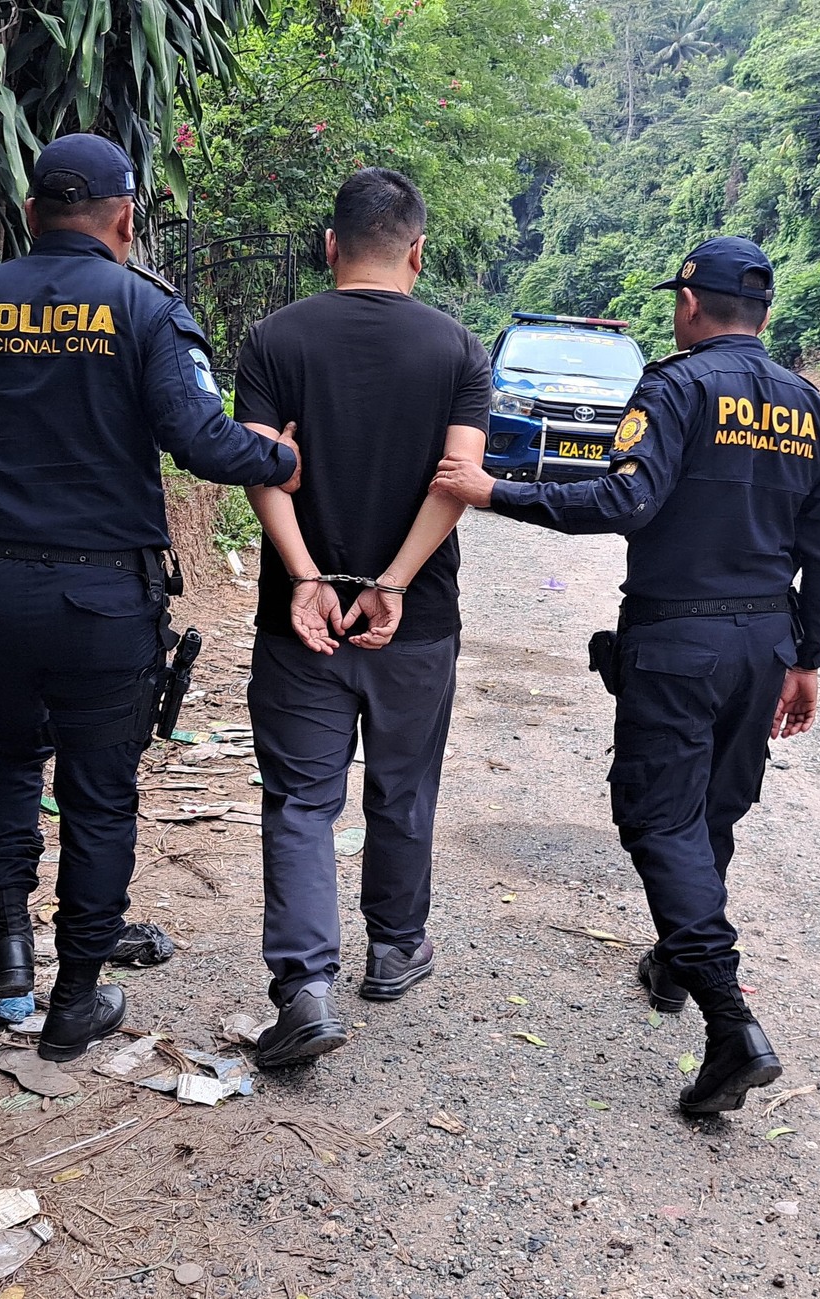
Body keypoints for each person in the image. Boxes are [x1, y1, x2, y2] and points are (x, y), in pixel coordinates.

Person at [0, 134, 302, 1063]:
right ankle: (79, 995)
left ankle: (9, 952)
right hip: (104, 601)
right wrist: (283, 458)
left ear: (28, 215)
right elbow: (203, 441)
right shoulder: (147, 312)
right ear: (125, 218)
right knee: (101, 795)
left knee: (3, 763)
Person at [430, 235, 820, 1113]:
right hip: (763, 644)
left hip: (678, 644)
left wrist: (494, 490)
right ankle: (673, 963)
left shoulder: (677, 386)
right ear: (763, 314)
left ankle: (731, 1023)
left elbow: (625, 500)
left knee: (660, 820)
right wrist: (806, 657)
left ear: (691, 304)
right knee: (712, 813)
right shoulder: (813, 408)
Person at [232, 168, 491, 1068]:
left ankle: (304, 987)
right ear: (417, 252)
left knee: (302, 799)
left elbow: (262, 466)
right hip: (412, 620)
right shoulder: (458, 348)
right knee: (403, 785)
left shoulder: (274, 338)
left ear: (331, 245)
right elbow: (456, 482)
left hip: (297, 616)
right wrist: (393, 579)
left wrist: (308, 576)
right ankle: (393, 948)